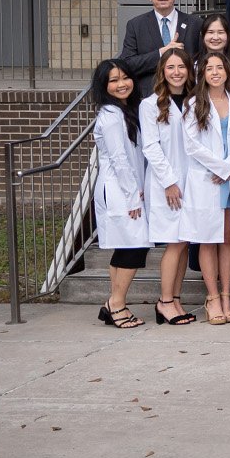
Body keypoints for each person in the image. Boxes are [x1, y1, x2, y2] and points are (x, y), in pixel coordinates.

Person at [183, 50, 230, 324]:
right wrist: (220, 167)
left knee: (228, 239)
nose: (216, 72)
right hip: (208, 179)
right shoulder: (194, 103)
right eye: (210, 69)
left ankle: (227, 294)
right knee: (209, 239)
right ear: (203, 74)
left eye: (220, 67)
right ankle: (212, 298)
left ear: (228, 72)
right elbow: (191, 145)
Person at [90, 59, 150, 329]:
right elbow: (118, 159)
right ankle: (117, 305)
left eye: (125, 77)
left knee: (124, 246)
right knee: (134, 247)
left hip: (124, 187)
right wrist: (132, 195)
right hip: (119, 189)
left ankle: (111, 303)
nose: (121, 84)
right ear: (104, 86)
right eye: (113, 80)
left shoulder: (125, 110)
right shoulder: (111, 117)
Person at [140, 47, 195, 325]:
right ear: (162, 71)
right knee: (173, 244)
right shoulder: (150, 105)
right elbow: (151, 147)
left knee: (184, 243)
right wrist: (170, 181)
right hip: (167, 185)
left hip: (192, 182)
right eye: (171, 67)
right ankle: (164, 301)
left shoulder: (196, 100)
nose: (177, 72)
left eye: (181, 67)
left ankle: (176, 298)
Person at [120, 0, 191, 95]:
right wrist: (161, 53)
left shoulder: (194, 23)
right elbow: (127, 64)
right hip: (150, 97)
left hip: (187, 96)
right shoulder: (136, 25)